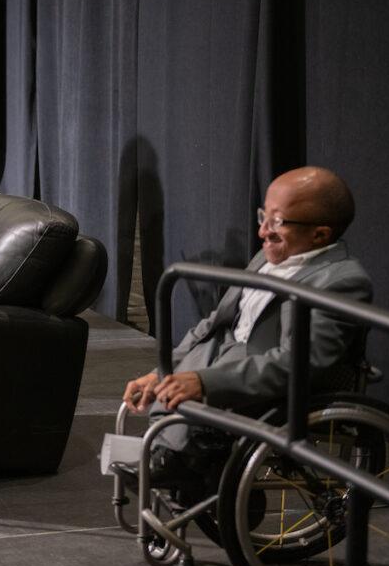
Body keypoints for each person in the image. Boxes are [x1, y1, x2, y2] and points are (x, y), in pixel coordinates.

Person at [122, 166, 372, 484]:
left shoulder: (343, 281)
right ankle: (175, 454)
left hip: (273, 385)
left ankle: (188, 462)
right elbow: (214, 324)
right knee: (206, 349)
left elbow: (299, 363)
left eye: (278, 222)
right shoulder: (267, 257)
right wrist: (161, 371)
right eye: (262, 217)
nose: (262, 232)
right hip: (225, 360)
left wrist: (206, 381)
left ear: (320, 234)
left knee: (215, 367)